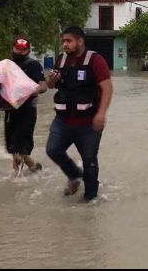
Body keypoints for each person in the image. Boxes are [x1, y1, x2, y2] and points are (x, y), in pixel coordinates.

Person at [46, 26, 113, 202]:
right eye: (63, 41)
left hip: (88, 123)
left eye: (68, 41)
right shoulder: (61, 60)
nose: (65, 44)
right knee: (52, 150)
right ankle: (75, 175)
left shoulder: (95, 60)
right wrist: (51, 80)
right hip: (63, 120)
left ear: (80, 41)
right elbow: (51, 85)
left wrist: (101, 113)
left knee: (89, 160)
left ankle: (90, 200)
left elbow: (107, 88)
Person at [5, 37, 47, 174]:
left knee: (21, 145)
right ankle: (32, 168)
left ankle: (19, 173)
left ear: (28, 51)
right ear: (12, 48)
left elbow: (43, 86)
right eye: (17, 48)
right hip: (10, 108)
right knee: (12, 145)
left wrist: (35, 91)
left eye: (23, 49)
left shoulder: (33, 65)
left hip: (27, 109)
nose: (20, 52)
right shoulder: (7, 65)